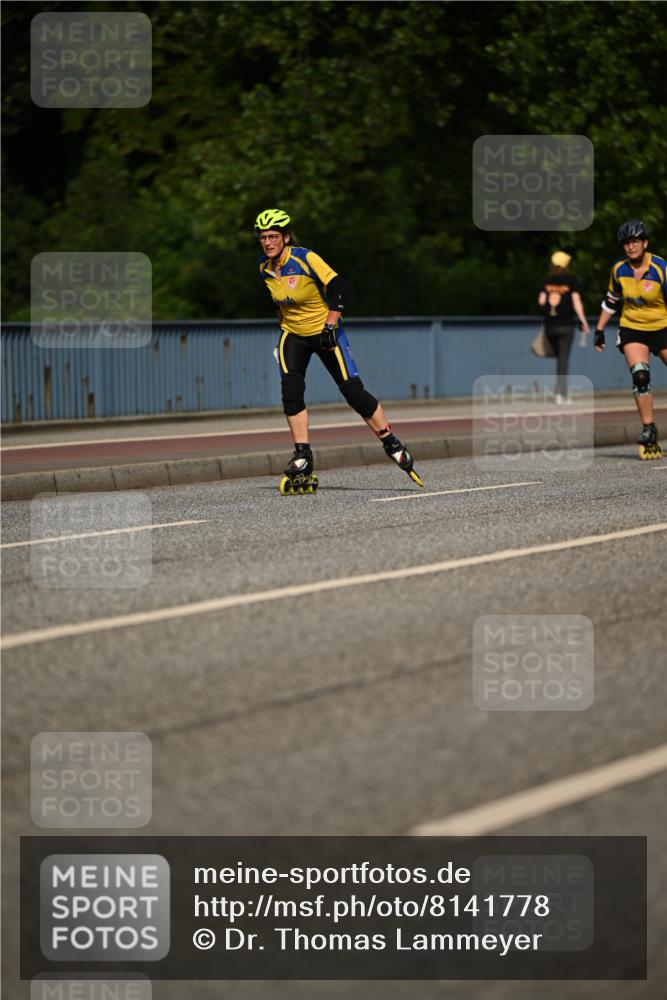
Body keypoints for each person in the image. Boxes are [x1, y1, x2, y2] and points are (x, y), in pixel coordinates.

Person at [254, 208, 424, 491]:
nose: (268, 242)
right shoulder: (264, 268)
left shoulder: (305, 258)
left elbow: (339, 287)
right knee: (291, 393)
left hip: (325, 332)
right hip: (292, 336)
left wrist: (331, 323)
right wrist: (281, 331)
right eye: (262, 237)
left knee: (353, 392)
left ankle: (391, 441)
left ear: (286, 237)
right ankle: (303, 455)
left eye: (273, 236)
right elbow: (280, 304)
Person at [593, 220, 667, 459]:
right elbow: (612, 300)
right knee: (640, 375)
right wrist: (600, 329)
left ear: (644, 242)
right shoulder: (619, 269)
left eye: (635, 241)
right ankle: (649, 429)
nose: (630, 246)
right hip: (632, 328)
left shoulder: (661, 268)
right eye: (626, 243)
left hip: (662, 327)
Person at [537, 250, 589, 403]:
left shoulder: (547, 281)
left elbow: (541, 301)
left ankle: (560, 391)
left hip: (550, 326)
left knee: (559, 357)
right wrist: (583, 321)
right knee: (563, 359)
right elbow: (577, 302)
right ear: (567, 264)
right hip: (566, 325)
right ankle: (562, 394)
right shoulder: (572, 281)